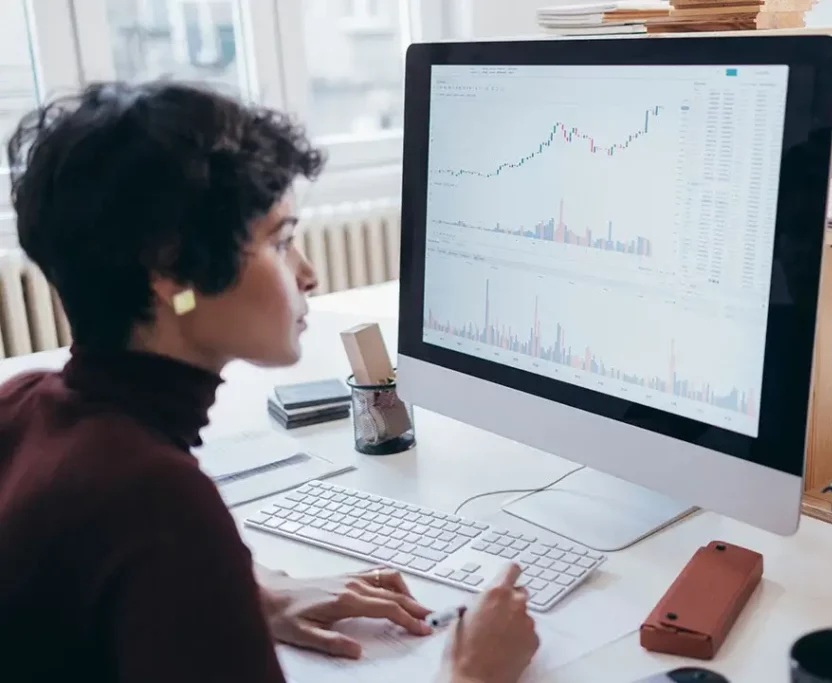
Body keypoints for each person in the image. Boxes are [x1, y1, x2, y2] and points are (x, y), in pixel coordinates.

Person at [0, 81, 539, 683]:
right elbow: (146, 537)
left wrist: (254, 593)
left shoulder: (25, 404)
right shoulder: (157, 500)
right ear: (172, 270)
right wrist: (471, 674)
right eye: (280, 242)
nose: (307, 274)